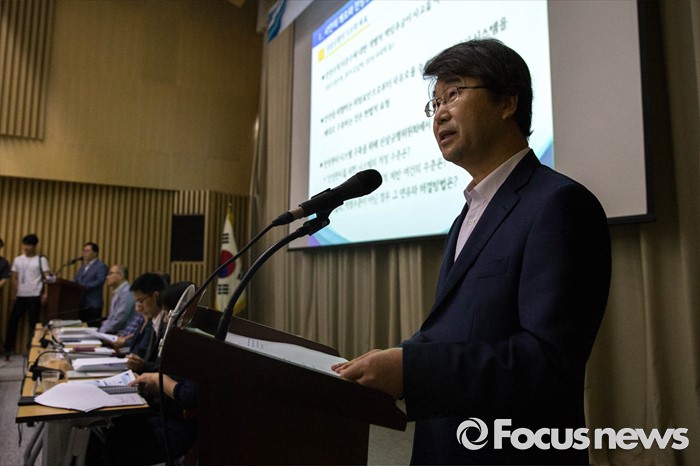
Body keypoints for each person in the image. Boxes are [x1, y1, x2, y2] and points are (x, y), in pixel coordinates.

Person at [333, 39, 611, 465]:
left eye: (454, 93)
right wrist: (396, 358)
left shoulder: (559, 204)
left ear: (507, 102)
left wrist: (411, 370)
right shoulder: (468, 214)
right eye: (435, 102)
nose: (440, 113)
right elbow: (457, 329)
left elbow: (548, 361)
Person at [3, 234, 52, 360]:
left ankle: (31, 348)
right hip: (21, 295)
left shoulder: (41, 259)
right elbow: (14, 277)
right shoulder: (18, 259)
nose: (26, 247)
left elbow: (47, 277)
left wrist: (46, 293)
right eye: (25, 244)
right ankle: (8, 348)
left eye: (29, 245)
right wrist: (15, 292)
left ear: (34, 246)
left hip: (35, 294)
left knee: (33, 323)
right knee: (13, 321)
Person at [125, 272, 167, 374]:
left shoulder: (167, 323)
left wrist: (143, 366)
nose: (139, 306)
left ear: (155, 296)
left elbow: (166, 368)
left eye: (141, 301)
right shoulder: (154, 320)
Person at [74, 242, 108, 326]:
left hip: (93, 304)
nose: (84, 253)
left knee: (92, 328)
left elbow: (100, 281)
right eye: (84, 251)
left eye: (87, 251)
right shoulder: (83, 266)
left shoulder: (101, 266)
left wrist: (84, 286)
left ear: (95, 253)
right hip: (81, 303)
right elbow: (77, 280)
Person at [99, 264, 135, 335]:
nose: (107, 277)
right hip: (115, 332)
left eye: (110, 273)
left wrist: (101, 332)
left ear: (120, 275)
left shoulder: (127, 292)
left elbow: (120, 319)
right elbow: (111, 318)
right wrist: (101, 330)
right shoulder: (119, 291)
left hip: (123, 334)